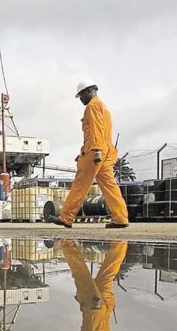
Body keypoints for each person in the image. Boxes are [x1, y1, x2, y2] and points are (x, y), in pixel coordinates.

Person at [48, 80, 129, 229]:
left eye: (81, 95)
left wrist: (96, 150)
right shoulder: (103, 106)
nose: (80, 99)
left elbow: (96, 129)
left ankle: (66, 217)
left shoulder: (92, 106)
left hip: (95, 151)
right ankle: (120, 217)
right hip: (105, 150)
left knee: (80, 184)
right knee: (110, 185)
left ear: (89, 91)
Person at [59, 239, 127, 331]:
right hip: (94, 304)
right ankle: (66, 242)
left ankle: (121, 243)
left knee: (108, 271)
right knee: (79, 272)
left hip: (105, 305)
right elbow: (94, 325)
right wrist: (95, 308)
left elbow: (101, 325)